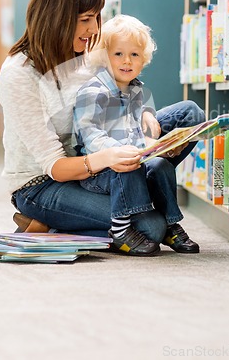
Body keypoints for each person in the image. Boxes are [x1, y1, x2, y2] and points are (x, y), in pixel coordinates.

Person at [0, 0, 205, 256]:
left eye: (96, 17)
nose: (94, 29)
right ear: (57, 16)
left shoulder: (88, 56)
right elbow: (55, 166)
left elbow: (130, 83)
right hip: (44, 184)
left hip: (101, 160)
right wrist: (108, 157)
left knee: (190, 115)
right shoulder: (19, 73)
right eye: (85, 19)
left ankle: (138, 188)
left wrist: (146, 113)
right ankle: (48, 222)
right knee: (150, 228)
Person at [73, 14, 199, 256]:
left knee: (161, 164)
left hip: (133, 155)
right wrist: (134, 148)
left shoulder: (134, 88)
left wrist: (149, 118)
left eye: (134, 55)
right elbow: (91, 137)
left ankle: (170, 224)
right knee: (127, 160)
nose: (126, 61)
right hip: (100, 171)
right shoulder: (93, 92)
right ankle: (120, 229)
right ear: (104, 56)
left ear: (144, 59)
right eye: (118, 54)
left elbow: (131, 121)